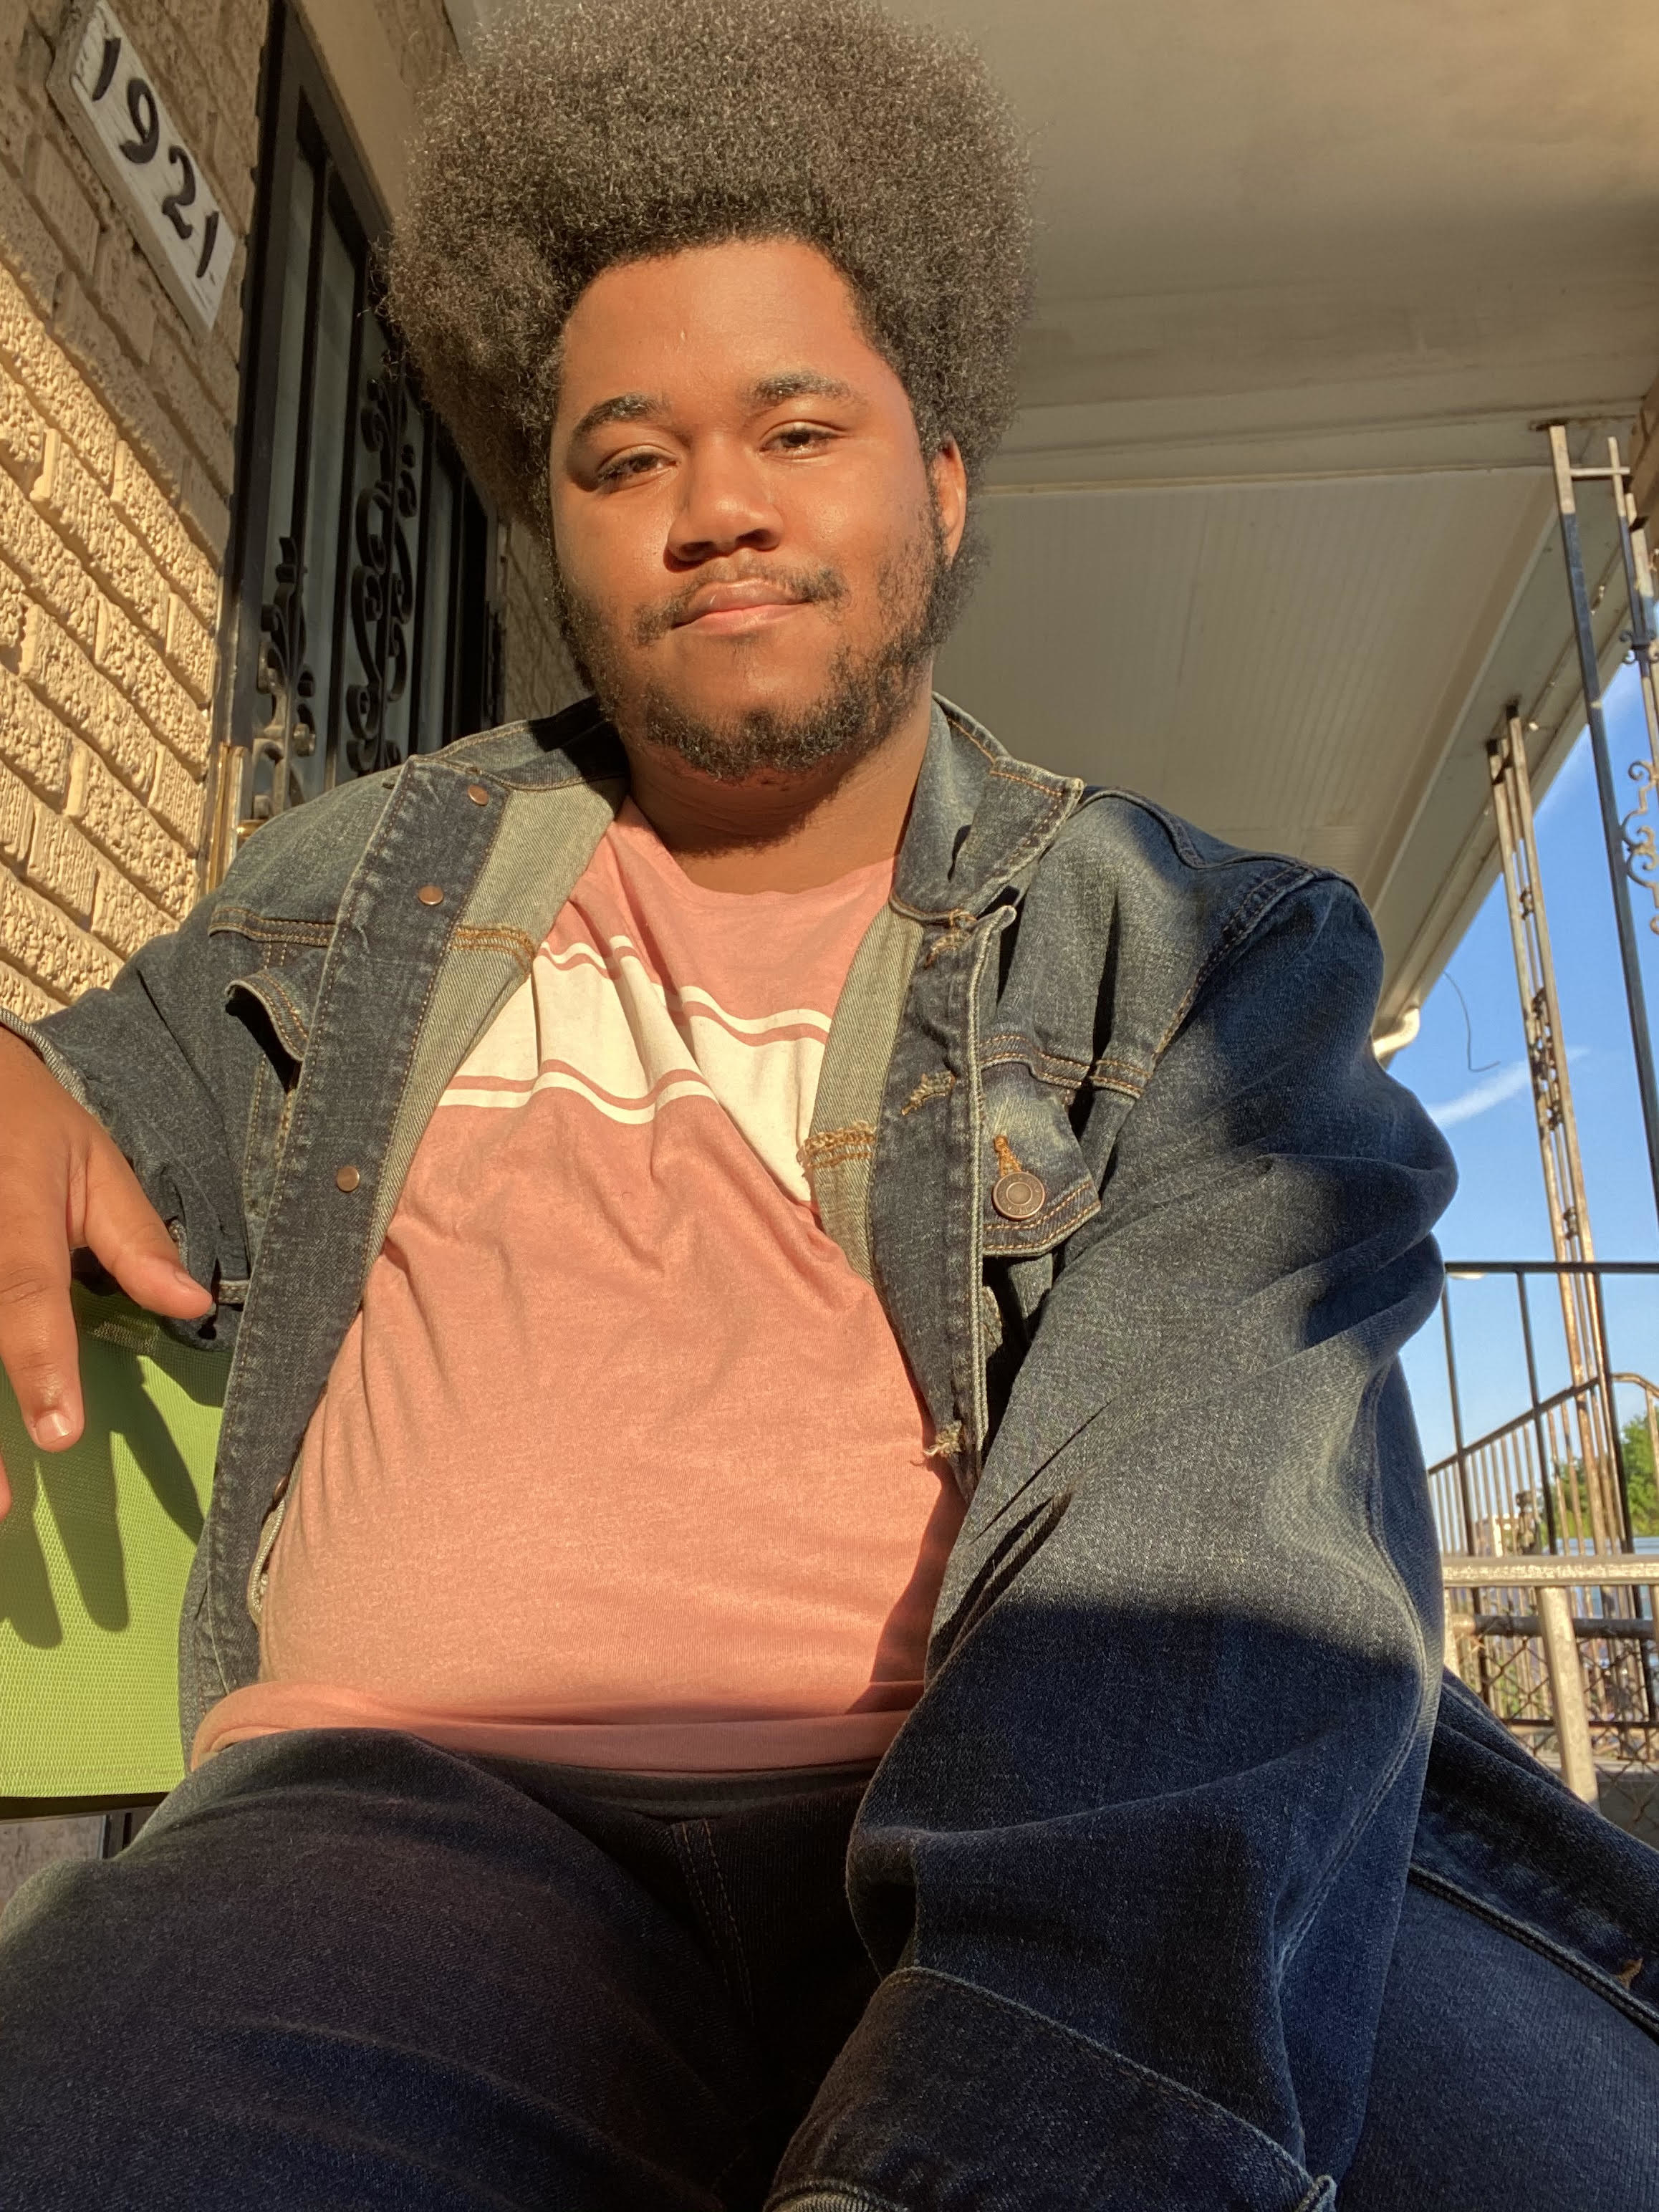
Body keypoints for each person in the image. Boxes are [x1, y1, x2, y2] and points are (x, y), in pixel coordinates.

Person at [0, 1, 1655, 2204]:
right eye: (622, 457)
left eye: (796, 429)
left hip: (1040, 1811)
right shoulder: (362, 877)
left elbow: (1213, 1512)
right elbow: (116, 1092)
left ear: (939, 483)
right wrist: (29, 1073)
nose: (713, 513)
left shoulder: (1192, 941)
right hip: (394, 1828)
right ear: (555, 527)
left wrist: (1009, 2118)